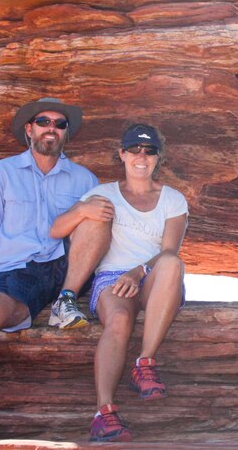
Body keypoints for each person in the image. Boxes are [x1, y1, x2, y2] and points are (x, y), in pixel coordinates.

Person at [0, 98, 99, 447]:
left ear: (65, 133)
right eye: (44, 121)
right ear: (29, 129)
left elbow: (98, 235)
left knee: (96, 209)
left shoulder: (84, 178)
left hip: (67, 271)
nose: (51, 129)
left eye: (60, 124)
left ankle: (66, 303)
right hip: (17, 273)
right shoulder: (1, 173)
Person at [50, 124, 188, 442]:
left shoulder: (173, 200)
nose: (142, 156)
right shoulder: (104, 193)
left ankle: (144, 362)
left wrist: (138, 272)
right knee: (119, 319)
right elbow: (56, 230)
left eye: (149, 150)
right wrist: (83, 209)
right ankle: (104, 413)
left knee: (172, 263)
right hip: (112, 277)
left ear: (158, 157)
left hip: (152, 277)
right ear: (122, 153)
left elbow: (169, 250)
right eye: (135, 150)